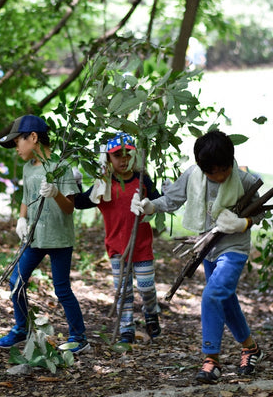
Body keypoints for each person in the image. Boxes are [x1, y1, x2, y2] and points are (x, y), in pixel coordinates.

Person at [131, 130, 264, 383]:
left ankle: (211, 360)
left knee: (212, 295)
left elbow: (258, 214)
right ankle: (250, 347)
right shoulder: (194, 175)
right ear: (202, 168)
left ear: (230, 161)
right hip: (207, 248)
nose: (219, 176)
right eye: (211, 172)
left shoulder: (245, 181)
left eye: (223, 170)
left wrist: (242, 223)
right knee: (225, 299)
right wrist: (149, 206)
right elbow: (171, 200)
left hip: (233, 248)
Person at [0, 114, 89, 354]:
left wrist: (56, 192)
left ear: (33, 137)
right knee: (16, 281)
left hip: (59, 239)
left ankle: (79, 337)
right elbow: (27, 198)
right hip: (34, 238)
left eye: (18, 141)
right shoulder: (28, 168)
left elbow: (70, 208)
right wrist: (21, 218)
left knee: (61, 288)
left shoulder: (61, 167)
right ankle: (21, 328)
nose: (16, 148)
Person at [74, 132, 161, 344]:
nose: (123, 160)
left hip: (141, 245)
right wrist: (75, 184)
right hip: (117, 246)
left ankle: (151, 314)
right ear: (108, 159)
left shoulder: (142, 180)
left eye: (127, 155)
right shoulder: (103, 183)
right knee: (123, 291)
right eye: (117, 155)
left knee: (146, 287)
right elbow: (81, 202)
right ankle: (126, 329)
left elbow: (158, 202)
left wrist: (162, 195)